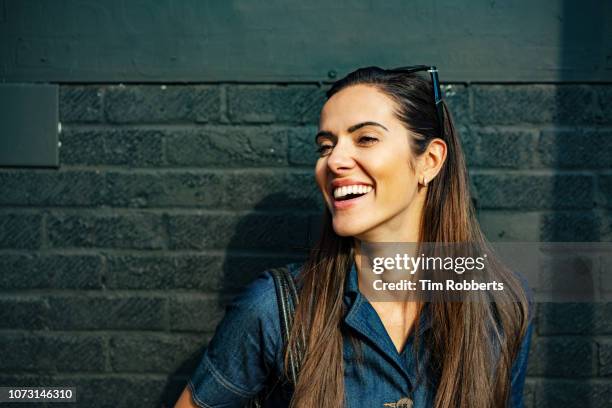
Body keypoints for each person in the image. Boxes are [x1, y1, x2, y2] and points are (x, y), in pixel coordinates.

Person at [175, 66, 533, 408]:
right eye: (325, 146)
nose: (334, 161)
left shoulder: (501, 306)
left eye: (366, 138)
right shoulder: (274, 310)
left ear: (430, 161)